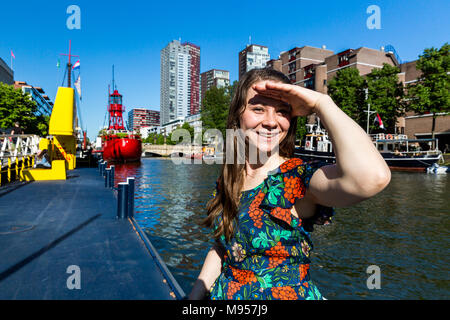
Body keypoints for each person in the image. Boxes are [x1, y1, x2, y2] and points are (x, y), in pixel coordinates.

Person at [188, 68, 391, 300]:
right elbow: (222, 247)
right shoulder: (229, 178)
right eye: (258, 109)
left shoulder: (294, 177)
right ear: (237, 115)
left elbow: (372, 177)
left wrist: (321, 103)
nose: (271, 122)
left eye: (282, 112)